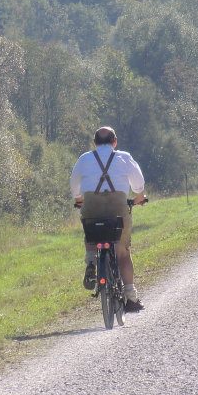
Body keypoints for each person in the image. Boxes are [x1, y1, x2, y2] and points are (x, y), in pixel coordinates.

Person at [70, 127, 147, 311]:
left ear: (94, 143)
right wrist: (139, 199)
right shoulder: (124, 157)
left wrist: (80, 200)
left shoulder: (84, 158)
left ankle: (91, 261)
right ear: (115, 142)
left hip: (92, 205)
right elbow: (139, 186)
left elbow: (74, 186)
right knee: (122, 253)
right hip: (118, 208)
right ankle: (130, 298)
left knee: (91, 231)